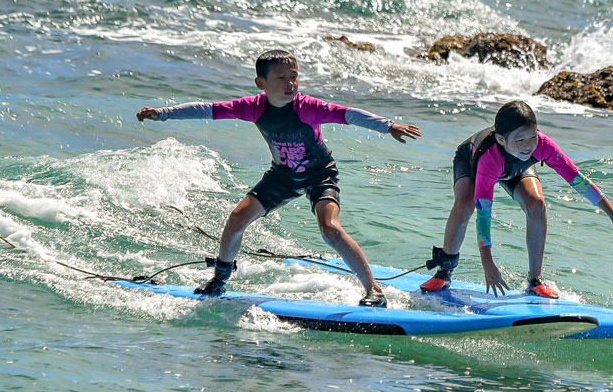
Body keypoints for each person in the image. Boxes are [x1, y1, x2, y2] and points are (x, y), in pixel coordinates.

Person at [136, 49, 421, 304]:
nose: (290, 84)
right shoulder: (253, 107)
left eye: (294, 77)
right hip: (282, 176)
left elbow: (348, 114)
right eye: (282, 78)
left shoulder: (308, 107)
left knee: (330, 228)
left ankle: (373, 290)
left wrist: (388, 127)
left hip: (319, 174)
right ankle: (219, 280)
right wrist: (163, 114)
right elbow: (207, 110)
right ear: (261, 83)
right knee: (237, 219)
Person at [422, 99, 613, 297]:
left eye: (532, 136)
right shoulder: (489, 158)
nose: (528, 144)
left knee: (537, 205)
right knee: (465, 205)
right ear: (501, 139)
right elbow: (484, 215)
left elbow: (577, 179)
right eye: (520, 139)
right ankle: (445, 271)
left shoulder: (542, 146)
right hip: (472, 163)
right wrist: (488, 263)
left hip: (516, 167)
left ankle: (535, 280)